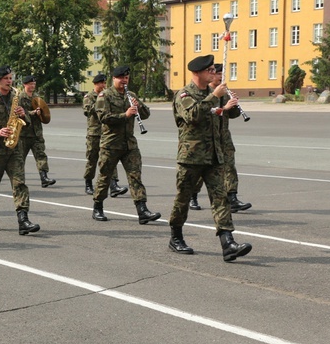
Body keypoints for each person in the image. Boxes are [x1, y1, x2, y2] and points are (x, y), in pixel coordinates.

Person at [169, 55, 252, 262]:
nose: (214, 73)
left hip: (214, 156)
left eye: (215, 70)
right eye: (210, 70)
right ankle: (176, 237)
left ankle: (228, 242)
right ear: (197, 72)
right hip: (191, 157)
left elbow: (226, 115)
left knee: (220, 198)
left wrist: (230, 105)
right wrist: (215, 96)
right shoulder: (184, 94)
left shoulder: (215, 93)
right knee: (183, 199)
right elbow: (193, 116)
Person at [91, 66, 161, 225]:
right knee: (104, 177)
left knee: (135, 176)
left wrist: (139, 107)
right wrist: (125, 115)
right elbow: (103, 117)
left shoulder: (131, 95)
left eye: (126, 78)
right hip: (110, 144)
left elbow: (146, 114)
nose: (124, 81)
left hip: (129, 144)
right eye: (121, 78)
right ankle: (98, 207)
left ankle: (142, 210)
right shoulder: (105, 95)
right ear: (114, 79)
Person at [0, 65, 39, 235]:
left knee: (20, 184)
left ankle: (23, 220)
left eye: (11, 78)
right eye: (6, 79)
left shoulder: (17, 97)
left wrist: (23, 115)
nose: (9, 81)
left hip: (14, 150)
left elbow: (29, 124)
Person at [189, 63, 251, 213]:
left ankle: (232, 197)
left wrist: (234, 105)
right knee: (202, 171)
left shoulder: (223, 92)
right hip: (209, 138)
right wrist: (225, 108)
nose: (220, 77)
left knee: (230, 166)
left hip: (224, 136)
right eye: (218, 74)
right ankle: (193, 196)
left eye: (222, 75)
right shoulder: (208, 93)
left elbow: (231, 115)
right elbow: (205, 113)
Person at [82, 74, 128, 197]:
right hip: (94, 133)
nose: (103, 85)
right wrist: (99, 102)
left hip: (106, 133)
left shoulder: (108, 96)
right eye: (101, 83)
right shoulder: (89, 97)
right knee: (92, 159)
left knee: (110, 159)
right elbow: (87, 111)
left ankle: (113, 186)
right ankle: (88, 183)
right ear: (95, 84)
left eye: (104, 83)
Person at [18, 75, 56, 188]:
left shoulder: (36, 97)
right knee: (20, 158)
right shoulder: (20, 97)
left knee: (41, 155)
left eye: (34, 84)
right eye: (30, 84)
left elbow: (44, 112)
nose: (32, 86)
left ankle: (44, 178)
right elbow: (19, 113)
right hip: (24, 134)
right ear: (25, 84)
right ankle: (19, 180)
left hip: (36, 133)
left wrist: (42, 113)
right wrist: (33, 112)